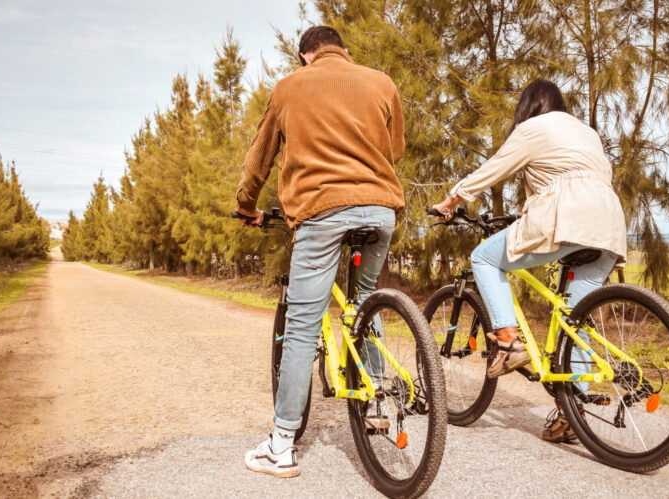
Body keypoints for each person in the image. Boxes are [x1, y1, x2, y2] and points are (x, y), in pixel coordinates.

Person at [234, 25, 406, 477]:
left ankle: (282, 445)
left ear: (306, 55)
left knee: (303, 325)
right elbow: (396, 150)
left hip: (321, 211)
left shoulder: (289, 87)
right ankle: (376, 404)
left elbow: (259, 159)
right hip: (382, 210)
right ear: (343, 51)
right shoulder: (382, 82)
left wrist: (245, 206)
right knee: (365, 302)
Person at [431, 78, 627, 443]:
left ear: (529, 106)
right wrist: (527, 213)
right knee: (574, 317)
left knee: (484, 258)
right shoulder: (586, 133)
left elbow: (496, 167)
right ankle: (574, 411)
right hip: (609, 224)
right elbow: (568, 177)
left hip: (568, 216)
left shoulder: (533, 127)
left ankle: (508, 341)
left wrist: (452, 200)